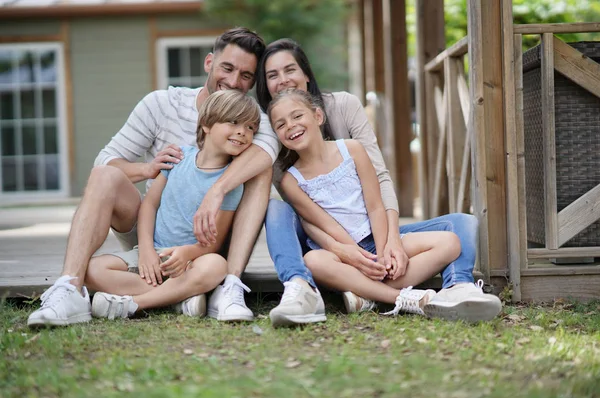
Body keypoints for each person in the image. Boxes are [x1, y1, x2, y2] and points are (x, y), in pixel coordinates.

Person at [27, 27, 280, 327]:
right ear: (209, 62)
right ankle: (70, 287)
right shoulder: (161, 104)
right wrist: (147, 170)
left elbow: (267, 151)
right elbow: (106, 162)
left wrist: (217, 191)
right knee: (103, 176)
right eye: (227, 68)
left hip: (205, 245)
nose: (234, 81)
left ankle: (226, 286)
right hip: (151, 235)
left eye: (246, 75)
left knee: (260, 170)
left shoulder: (254, 120)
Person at [255, 39, 502, 326]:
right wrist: (347, 252)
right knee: (313, 258)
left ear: (307, 77)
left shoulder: (347, 131)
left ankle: (450, 288)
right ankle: (394, 297)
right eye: (272, 75)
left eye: (290, 70)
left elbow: (376, 193)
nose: (283, 80)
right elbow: (312, 219)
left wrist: (389, 245)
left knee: (456, 232)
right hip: (331, 242)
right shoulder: (273, 147)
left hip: (375, 231)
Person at [81, 90, 259, 320]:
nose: (242, 132)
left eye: (251, 127)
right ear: (206, 124)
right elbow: (149, 206)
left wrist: (187, 253)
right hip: (153, 254)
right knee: (92, 270)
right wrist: (145, 251)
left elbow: (213, 243)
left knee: (216, 266)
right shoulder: (179, 158)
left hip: (191, 263)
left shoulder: (231, 183)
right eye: (233, 122)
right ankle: (179, 297)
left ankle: (136, 303)